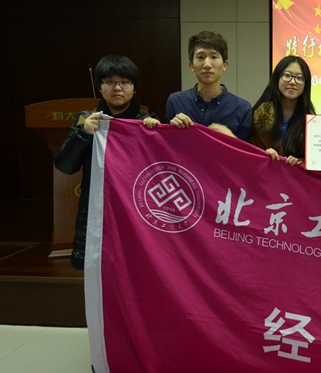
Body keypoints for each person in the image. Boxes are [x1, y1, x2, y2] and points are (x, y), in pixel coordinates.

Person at [54, 55, 159, 270]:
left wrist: (155, 136)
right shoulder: (86, 120)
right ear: (100, 87)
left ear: (134, 88)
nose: (117, 88)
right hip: (96, 211)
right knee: (96, 271)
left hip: (134, 211)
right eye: (109, 81)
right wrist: (83, 134)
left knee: (134, 270)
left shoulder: (146, 121)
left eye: (124, 82)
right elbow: (64, 166)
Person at [166, 31, 252, 140]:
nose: (207, 64)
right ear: (191, 65)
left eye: (214, 57)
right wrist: (171, 130)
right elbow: (167, 145)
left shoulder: (242, 108)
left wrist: (231, 138)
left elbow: (245, 150)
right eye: (200, 57)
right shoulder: (176, 102)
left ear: (225, 65)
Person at [250, 56, 316, 166]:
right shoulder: (257, 115)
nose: (292, 82)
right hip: (264, 174)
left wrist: (300, 162)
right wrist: (263, 154)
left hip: (295, 177)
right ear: (277, 78)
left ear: (306, 84)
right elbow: (247, 154)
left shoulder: (313, 121)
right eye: (287, 75)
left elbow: (316, 160)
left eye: (299, 78)